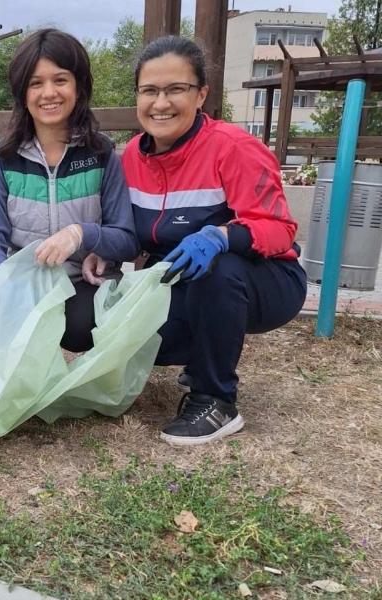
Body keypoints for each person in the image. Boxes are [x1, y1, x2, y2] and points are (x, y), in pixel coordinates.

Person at [86, 35, 306, 445]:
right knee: (124, 322)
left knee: (218, 270)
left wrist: (222, 235)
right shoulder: (131, 156)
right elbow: (130, 231)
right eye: (149, 91)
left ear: (201, 94)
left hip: (265, 278)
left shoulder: (233, 148)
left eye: (176, 90)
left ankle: (216, 399)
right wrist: (107, 253)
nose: (161, 103)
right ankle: (201, 354)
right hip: (182, 278)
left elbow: (281, 230)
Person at [0, 28, 140, 352]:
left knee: (84, 327)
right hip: (25, 283)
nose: (48, 93)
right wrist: (8, 285)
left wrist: (79, 234)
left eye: (60, 80)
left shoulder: (102, 155)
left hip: (83, 282)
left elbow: (126, 239)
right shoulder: (3, 160)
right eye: (36, 83)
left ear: (79, 86)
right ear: (22, 93)